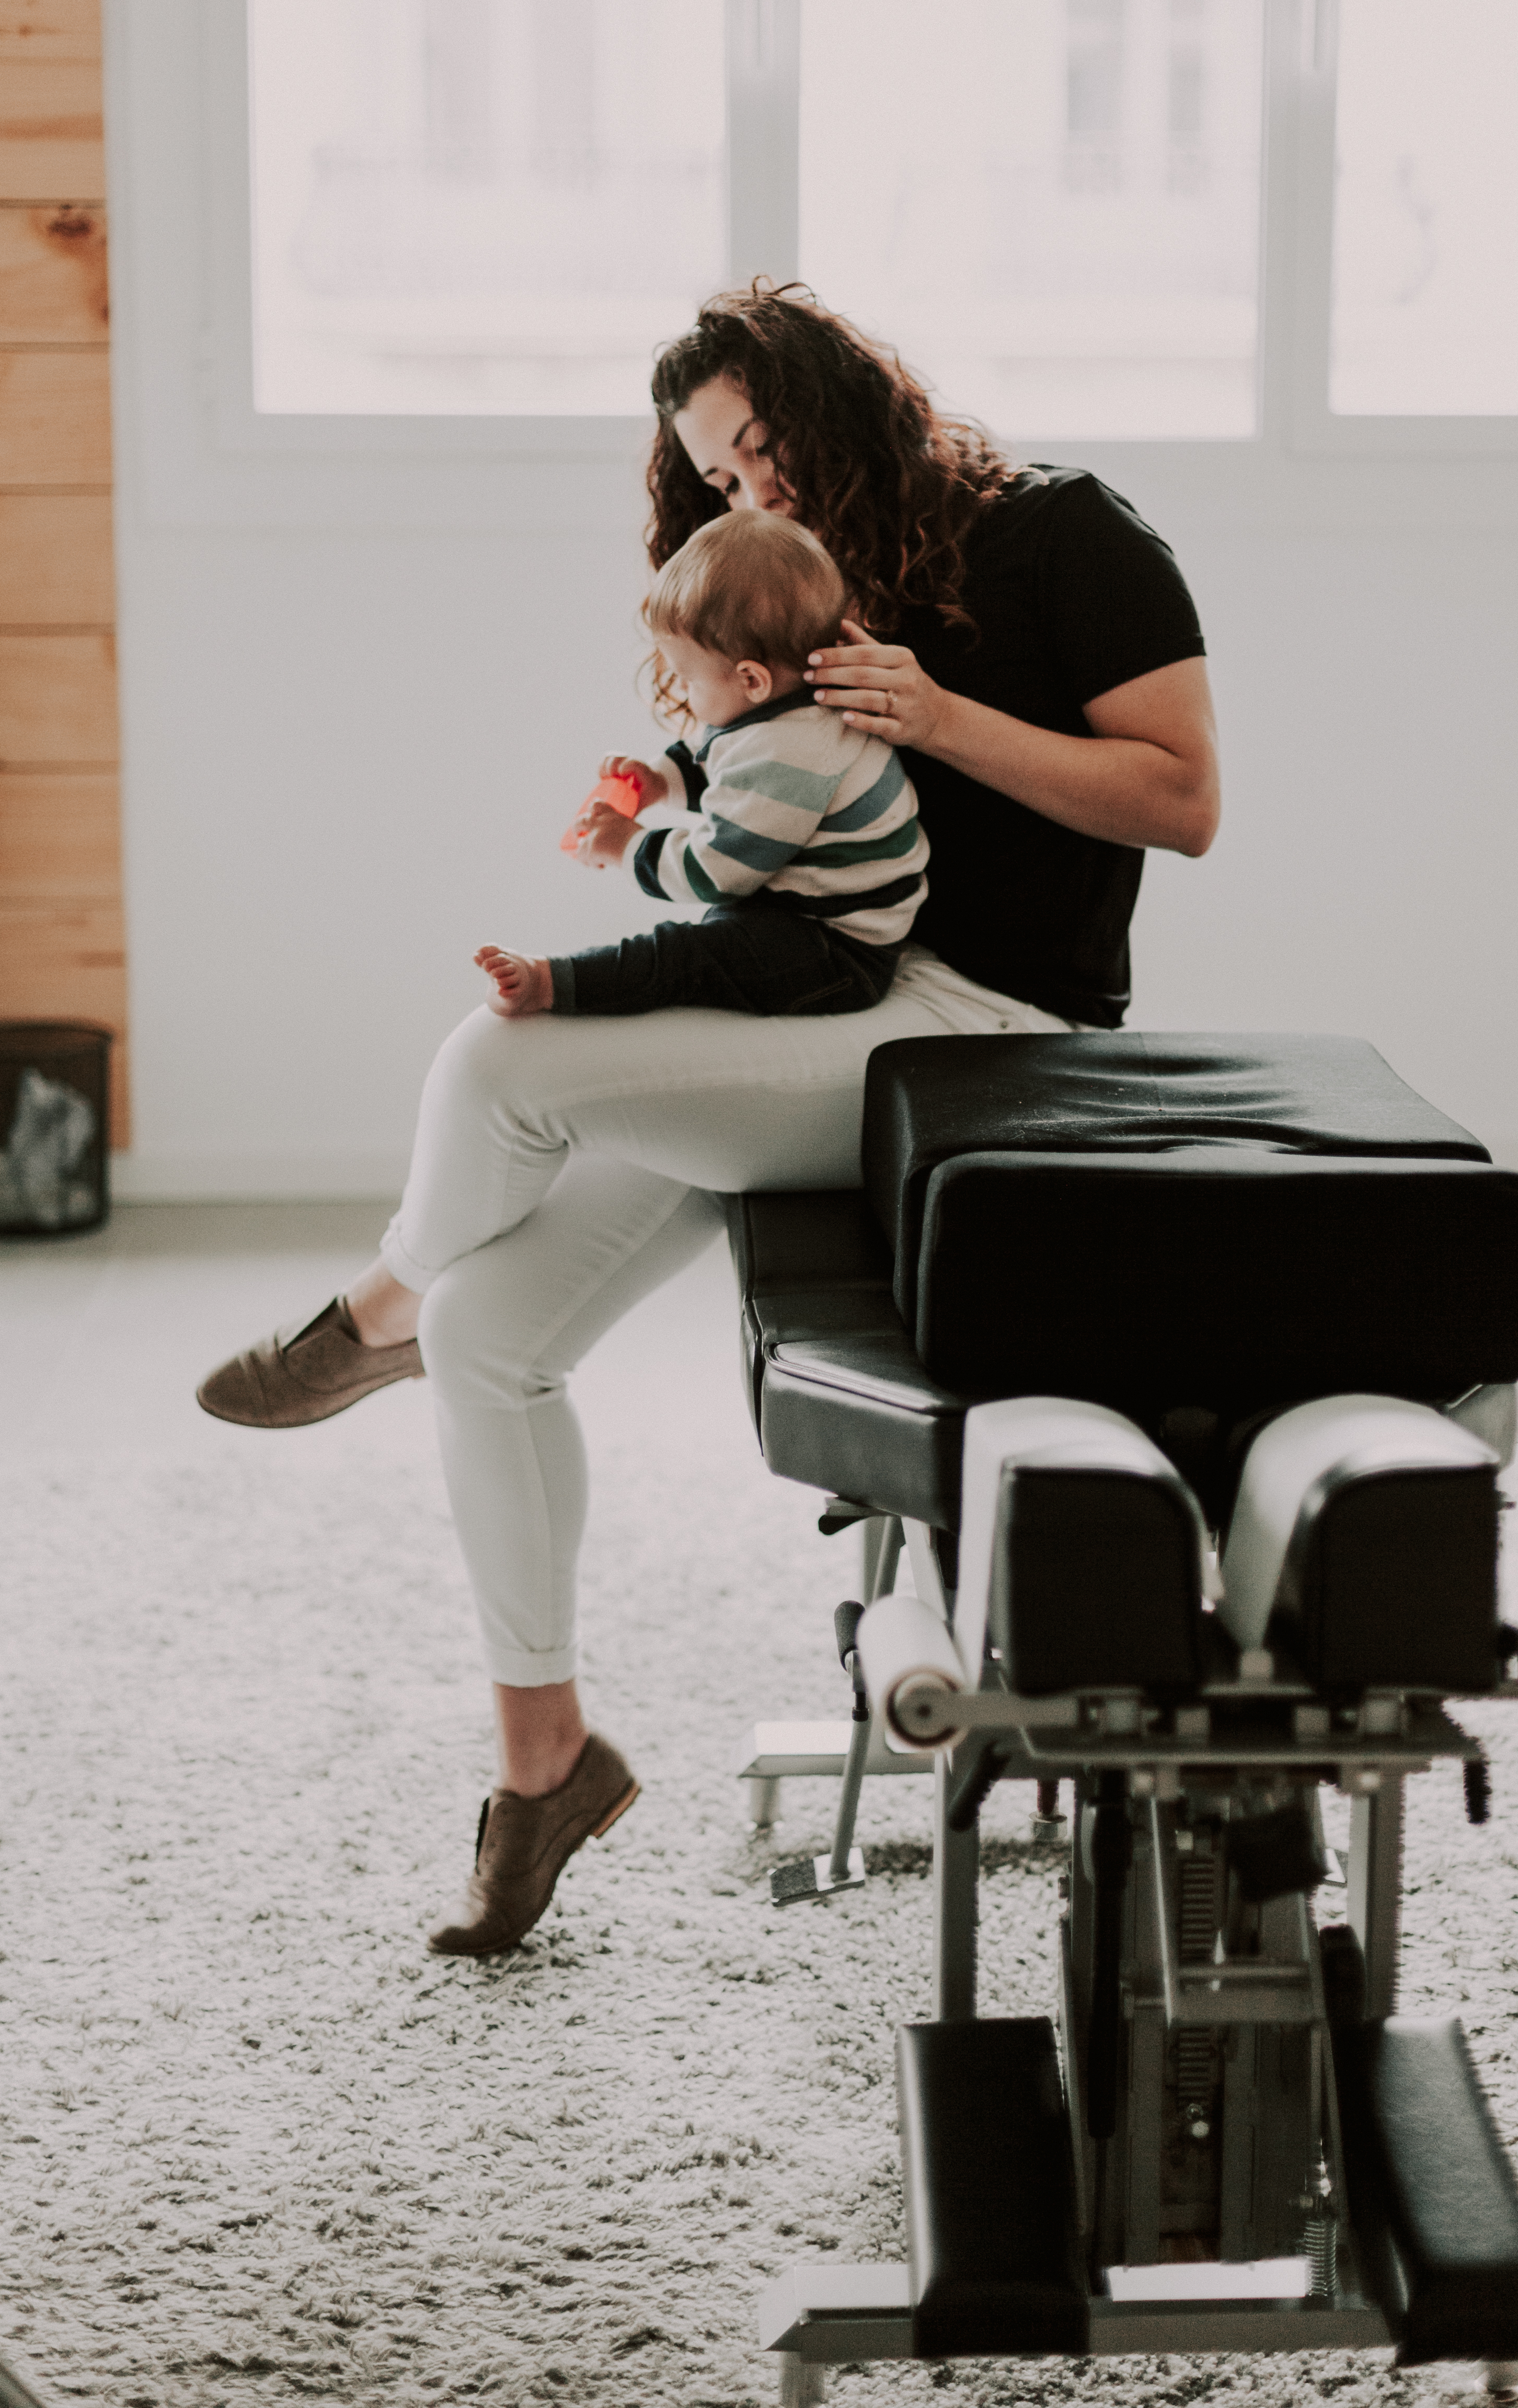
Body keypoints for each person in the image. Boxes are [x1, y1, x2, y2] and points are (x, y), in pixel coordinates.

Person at [196, 281, 1220, 1959]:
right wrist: (676, 785)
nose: (752, 488)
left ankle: (364, 1309)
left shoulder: (1064, 532)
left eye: (764, 445)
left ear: (844, 403)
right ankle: (547, 1763)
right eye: (719, 473)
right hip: (818, 993)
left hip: (982, 1023)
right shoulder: (797, 573)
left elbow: (1184, 801)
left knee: (501, 1056)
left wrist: (935, 712)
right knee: (495, 1331)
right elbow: (766, 822)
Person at [473, 505, 928, 1026]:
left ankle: (551, 983)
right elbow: (716, 756)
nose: (684, 694)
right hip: (803, 904)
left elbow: (715, 874)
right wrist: (658, 782)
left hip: (841, 951)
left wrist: (626, 846)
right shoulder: (780, 709)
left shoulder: (796, 751)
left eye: (688, 679)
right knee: (717, 934)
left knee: (688, 955)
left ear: (752, 679)